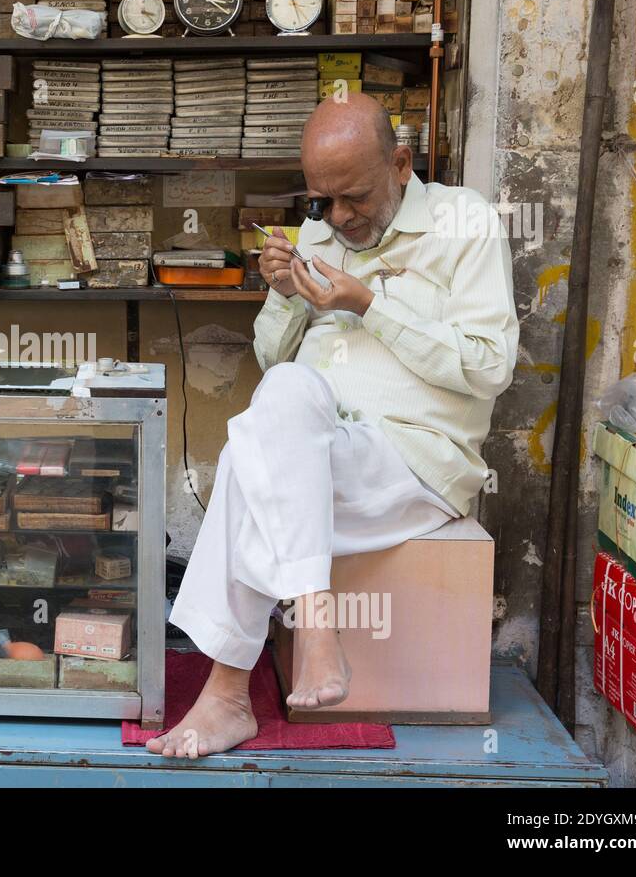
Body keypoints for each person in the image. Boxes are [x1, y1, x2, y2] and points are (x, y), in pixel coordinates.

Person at [149, 92, 518, 758]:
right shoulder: (317, 235)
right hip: (313, 457)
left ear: (401, 164)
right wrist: (287, 295)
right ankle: (313, 619)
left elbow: (490, 367)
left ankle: (228, 692)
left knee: (244, 460)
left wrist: (368, 305)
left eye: (353, 199)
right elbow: (271, 358)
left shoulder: (467, 222)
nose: (338, 218)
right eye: (322, 202)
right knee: (283, 392)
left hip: (412, 462)